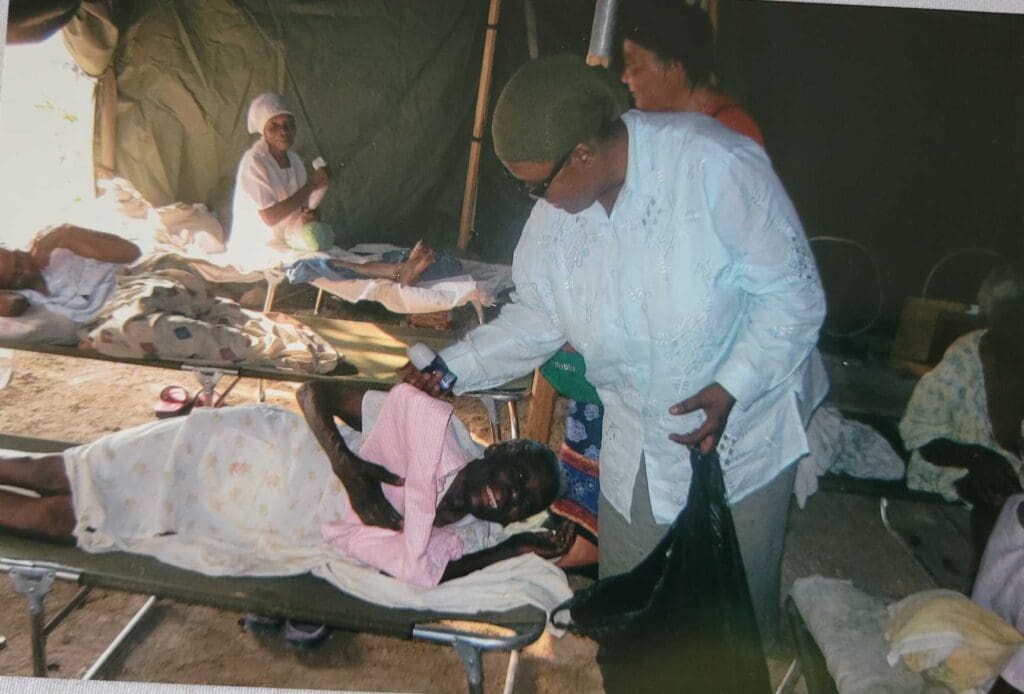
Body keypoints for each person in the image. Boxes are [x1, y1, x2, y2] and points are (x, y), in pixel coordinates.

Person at [394, 55, 825, 646]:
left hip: (740, 435)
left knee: (730, 619)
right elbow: (540, 316)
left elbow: (795, 297)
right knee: (632, 617)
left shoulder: (715, 165)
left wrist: (734, 385)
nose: (533, 199)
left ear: (584, 154)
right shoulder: (558, 216)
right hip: (637, 440)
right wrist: (449, 370)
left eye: (536, 183)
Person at [0, 382, 573, 588]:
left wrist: (518, 545)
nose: (514, 495)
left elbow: (435, 571)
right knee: (58, 472)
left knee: (65, 520)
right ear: (496, 451)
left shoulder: (467, 536)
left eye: (524, 504)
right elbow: (312, 392)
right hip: (236, 449)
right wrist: (348, 465)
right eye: (519, 477)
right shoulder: (432, 427)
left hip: (241, 522)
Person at [900, 264, 1024, 561]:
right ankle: (986, 587)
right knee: (996, 497)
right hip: (959, 461)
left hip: (1010, 471)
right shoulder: (964, 358)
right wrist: (980, 458)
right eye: (1006, 323)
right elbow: (923, 436)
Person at [617, 0, 764, 146]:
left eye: (633, 65)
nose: (624, 78)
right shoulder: (663, 122)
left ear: (674, 67)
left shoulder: (731, 127)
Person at [229, 92, 331, 269]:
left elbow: (302, 205)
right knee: (318, 261)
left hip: (288, 239)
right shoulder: (254, 161)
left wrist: (309, 214)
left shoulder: (295, 160)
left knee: (325, 257)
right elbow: (269, 218)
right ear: (263, 130)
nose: (283, 131)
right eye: (274, 126)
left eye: (288, 125)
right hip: (258, 246)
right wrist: (312, 185)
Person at [0, 224, 141, 319]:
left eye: (19, 258)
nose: (26, 268)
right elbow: (8, 306)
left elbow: (132, 253)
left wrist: (66, 234)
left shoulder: (57, 245)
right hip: (123, 315)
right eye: (16, 275)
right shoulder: (25, 297)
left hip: (138, 281)